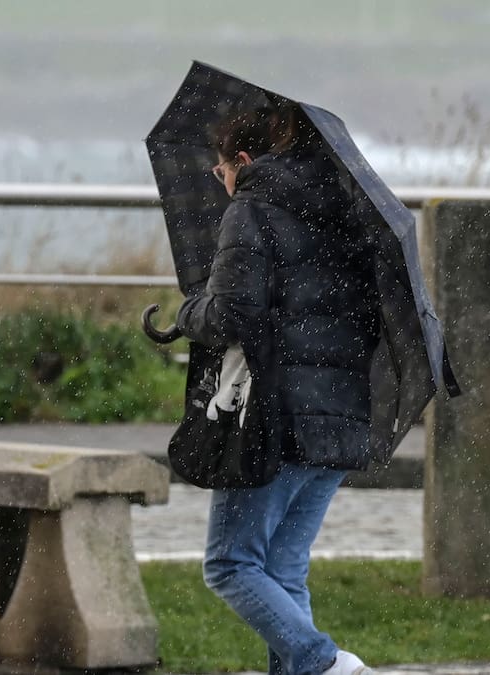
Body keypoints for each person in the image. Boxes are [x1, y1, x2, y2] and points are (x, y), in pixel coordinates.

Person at [175, 103, 379, 675]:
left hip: (278, 417)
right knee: (284, 572)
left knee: (232, 565)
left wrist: (189, 314)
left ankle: (327, 664)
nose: (222, 183)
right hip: (342, 415)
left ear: (243, 160)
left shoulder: (252, 210)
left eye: (221, 172)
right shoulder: (343, 208)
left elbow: (233, 314)